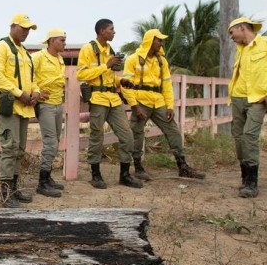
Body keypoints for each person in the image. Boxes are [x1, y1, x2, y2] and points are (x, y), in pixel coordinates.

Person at [120, 29, 205, 181]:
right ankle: (138, 167)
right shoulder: (133, 59)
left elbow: (167, 85)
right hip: (140, 101)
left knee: (173, 130)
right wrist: (134, 106)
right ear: (150, 41)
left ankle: (183, 167)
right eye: (158, 40)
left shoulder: (162, 61)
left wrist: (170, 106)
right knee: (137, 133)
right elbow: (126, 86)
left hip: (159, 101)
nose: (161, 43)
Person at [77, 19, 143, 189]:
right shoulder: (88, 49)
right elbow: (81, 75)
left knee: (127, 135)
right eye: (111, 29)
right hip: (97, 99)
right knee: (96, 137)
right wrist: (106, 65)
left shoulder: (110, 50)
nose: (114, 32)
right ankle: (96, 174)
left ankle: (125, 174)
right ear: (101, 31)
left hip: (114, 99)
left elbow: (109, 77)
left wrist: (122, 81)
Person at [227, 17, 267, 198]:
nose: (231, 37)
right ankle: (245, 177)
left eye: (232, 32)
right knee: (238, 137)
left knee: (249, 135)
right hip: (238, 98)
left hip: (258, 98)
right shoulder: (241, 51)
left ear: (241, 28)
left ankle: (252, 183)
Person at [0, 13, 41, 208]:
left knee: (19, 150)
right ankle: (6, 193)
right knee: (10, 148)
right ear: (12, 26)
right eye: (23, 28)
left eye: (28, 29)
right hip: (9, 105)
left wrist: (35, 92)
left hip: (25, 107)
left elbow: (32, 79)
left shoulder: (25, 53)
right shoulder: (1, 48)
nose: (26, 32)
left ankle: (15, 189)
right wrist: (20, 93)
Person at [32, 28, 67, 198]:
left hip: (57, 103)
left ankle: (48, 178)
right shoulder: (38, 57)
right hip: (45, 105)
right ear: (52, 41)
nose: (64, 43)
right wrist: (37, 92)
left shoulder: (60, 59)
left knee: (56, 141)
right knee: (50, 142)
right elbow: (28, 76)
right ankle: (42, 182)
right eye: (61, 40)